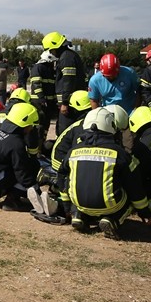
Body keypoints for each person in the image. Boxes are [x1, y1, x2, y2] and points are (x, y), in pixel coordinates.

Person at [61, 107, 150, 239]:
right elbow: (134, 185)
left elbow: (63, 176)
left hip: (79, 203)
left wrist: (68, 206)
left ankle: (78, 215)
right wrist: (143, 211)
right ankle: (113, 220)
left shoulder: (73, 151)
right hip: (111, 206)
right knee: (129, 196)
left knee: (78, 181)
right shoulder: (120, 153)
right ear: (111, 126)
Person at [49, 89, 93, 223]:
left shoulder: (79, 125)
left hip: (64, 160)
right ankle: (59, 200)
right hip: (61, 164)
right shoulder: (82, 126)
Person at [43, 32, 87, 138]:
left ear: (56, 47)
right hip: (72, 103)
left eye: (51, 50)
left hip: (70, 105)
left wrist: (65, 102)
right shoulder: (68, 56)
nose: (51, 53)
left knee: (64, 133)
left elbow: (68, 81)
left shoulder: (66, 58)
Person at [28, 51, 58, 137]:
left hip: (48, 102)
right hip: (39, 103)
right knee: (39, 125)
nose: (54, 63)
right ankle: (38, 143)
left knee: (46, 124)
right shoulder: (38, 68)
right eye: (53, 61)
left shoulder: (51, 70)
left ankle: (43, 140)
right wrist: (41, 98)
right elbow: (36, 84)